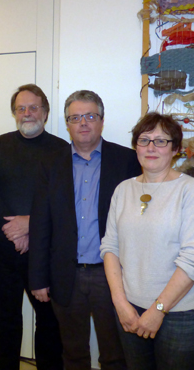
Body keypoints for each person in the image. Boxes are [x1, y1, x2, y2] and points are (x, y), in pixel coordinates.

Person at [29, 90, 140, 370]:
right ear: (67, 124)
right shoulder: (50, 164)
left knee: (115, 355)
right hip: (66, 275)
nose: (83, 123)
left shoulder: (127, 160)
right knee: (73, 354)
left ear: (101, 120)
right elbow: (41, 224)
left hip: (112, 276)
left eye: (90, 116)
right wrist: (38, 278)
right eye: (75, 117)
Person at [100, 112, 194, 370]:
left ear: (175, 150)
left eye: (161, 141)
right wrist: (120, 303)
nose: (151, 147)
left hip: (180, 314)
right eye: (144, 140)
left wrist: (158, 309)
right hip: (130, 310)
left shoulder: (190, 190)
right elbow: (110, 247)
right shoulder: (123, 189)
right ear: (135, 146)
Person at [0, 84, 65, 370]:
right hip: (3, 255)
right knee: (6, 324)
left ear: (46, 111)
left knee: (50, 325)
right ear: (14, 113)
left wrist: (30, 225)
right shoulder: (0, 144)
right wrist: (12, 229)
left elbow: (66, 201)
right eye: (21, 108)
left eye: (33, 107)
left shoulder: (61, 150)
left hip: (44, 257)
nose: (27, 113)